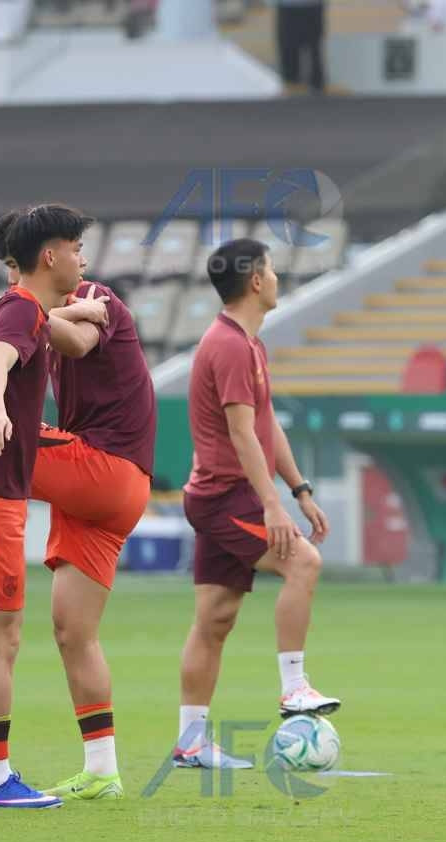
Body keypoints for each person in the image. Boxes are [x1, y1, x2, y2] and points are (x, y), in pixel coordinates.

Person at [0, 208, 155, 801]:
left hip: (105, 469)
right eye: (75, 246)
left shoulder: (92, 297)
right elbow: (0, 357)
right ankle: (102, 766)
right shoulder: (31, 310)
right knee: (65, 633)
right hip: (104, 496)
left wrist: (52, 313)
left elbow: (73, 340)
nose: (81, 256)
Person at [175, 238, 336, 770]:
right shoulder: (230, 346)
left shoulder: (248, 343)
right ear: (255, 282)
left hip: (223, 494)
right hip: (227, 496)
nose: (276, 277)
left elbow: (265, 426)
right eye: (270, 269)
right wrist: (272, 506)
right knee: (304, 563)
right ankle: (294, 688)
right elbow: (243, 435)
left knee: (215, 619)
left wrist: (300, 490)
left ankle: (191, 742)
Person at [274, 0, 327, 94]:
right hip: (293, 6)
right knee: (291, 51)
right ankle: (294, 85)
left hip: (306, 6)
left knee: (311, 50)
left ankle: (314, 87)